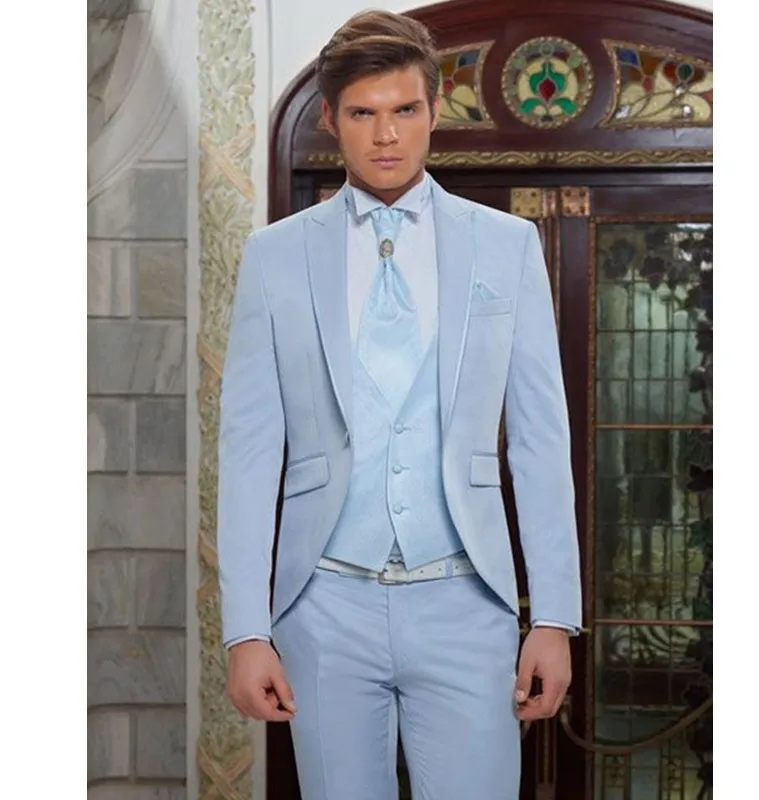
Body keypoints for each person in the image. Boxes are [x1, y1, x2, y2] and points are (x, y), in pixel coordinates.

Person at [217, 9, 582, 800]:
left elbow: (539, 442)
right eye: (363, 113)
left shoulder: (506, 245)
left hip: (465, 601)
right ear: (330, 119)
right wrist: (246, 629)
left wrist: (554, 616)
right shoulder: (274, 257)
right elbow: (247, 452)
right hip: (323, 606)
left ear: (434, 110)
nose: (386, 135)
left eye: (405, 109)